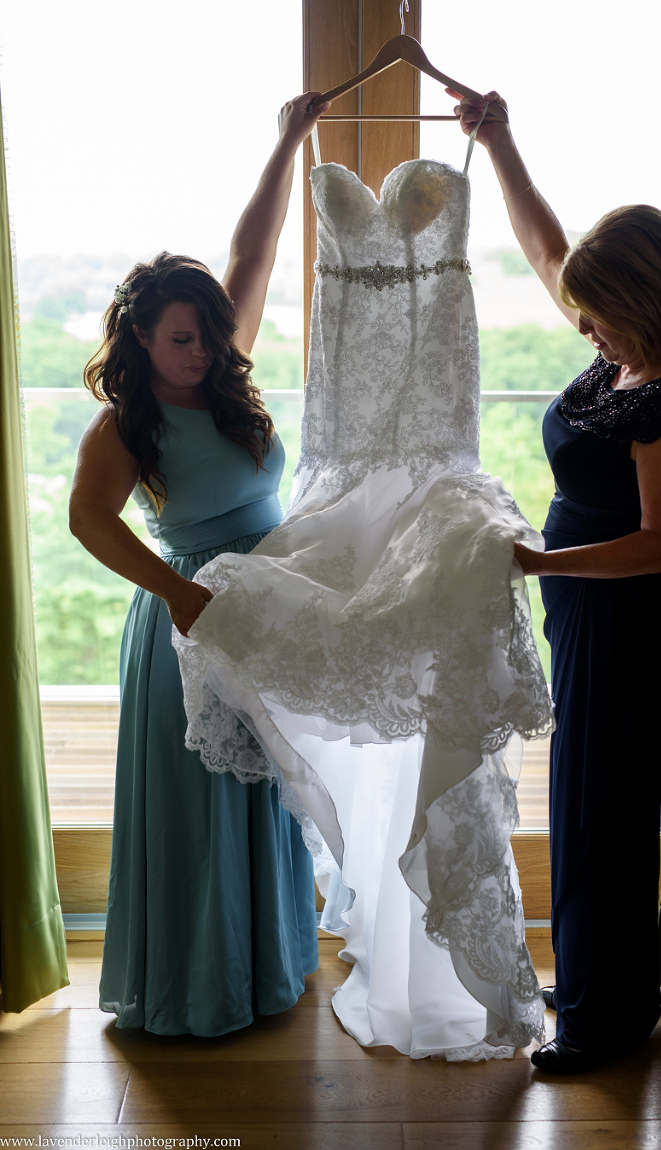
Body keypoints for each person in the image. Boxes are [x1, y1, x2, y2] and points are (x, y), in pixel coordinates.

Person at [170, 107, 555, 1057]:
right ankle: (383, 929)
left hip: (433, 469)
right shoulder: (282, 234)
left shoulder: (467, 173)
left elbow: (552, 257)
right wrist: (280, 141)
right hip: (342, 471)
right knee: (335, 680)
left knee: (433, 716)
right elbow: (247, 262)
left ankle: (442, 960)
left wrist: (499, 143)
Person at [452, 90, 661, 1072]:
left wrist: (535, 559)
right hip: (590, 606)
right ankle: (597, 978)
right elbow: (548, 250)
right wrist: (501, 141)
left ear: (646, 305)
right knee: (585, 796)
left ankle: (607, 1023)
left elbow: (658, 542)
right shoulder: (620, 357)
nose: (586, 327)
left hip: (632, 610)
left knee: (604, 807)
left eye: (601, 315)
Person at [68, 93, 330, 1036]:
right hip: (192, 615)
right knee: (202, 806)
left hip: (268, 609)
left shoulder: (224, 375)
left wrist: (288, 142)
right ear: (140, 337)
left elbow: (253, 256)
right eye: (182, 338)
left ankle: (267, 969)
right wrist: (178, 592)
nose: (202, 351)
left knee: (266, 791)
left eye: (210, 334)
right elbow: (87, 520)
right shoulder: (125, 423)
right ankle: (198, 988)